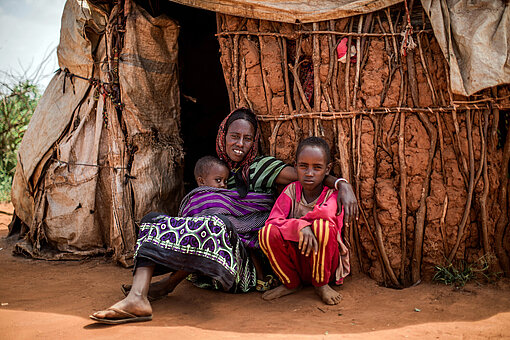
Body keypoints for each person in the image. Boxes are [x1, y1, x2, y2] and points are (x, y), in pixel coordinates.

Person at [90, 108, 357, 324]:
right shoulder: (214, 170)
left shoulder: (262, 167)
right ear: (223, 135)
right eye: (234, 136)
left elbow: (307, 175)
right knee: (152, 220)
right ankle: (139, 295)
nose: (240, 144)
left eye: (248, 138)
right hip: (206, 266)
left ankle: (167, 285)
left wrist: (341, 184)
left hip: (245, 267)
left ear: (254, 142)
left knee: (216, 224)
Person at [259, 137, 350, 305]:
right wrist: (299, 226)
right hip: (297, 261)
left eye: (317, 168)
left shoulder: (333, 195)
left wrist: (302, 225)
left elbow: (326, 215)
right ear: (295, 166)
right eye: (303, 166)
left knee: (322, 227)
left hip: (324, 262)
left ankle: (321, 284)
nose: (309, 173)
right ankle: (290, 283)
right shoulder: (291, 191)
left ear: (327, 169)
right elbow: (272, 221)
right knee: (266, 233)